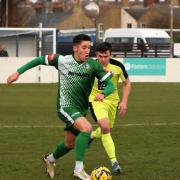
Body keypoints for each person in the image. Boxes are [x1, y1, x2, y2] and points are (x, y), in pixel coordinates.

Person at [7, 34, 115, 180]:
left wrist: (103, 93)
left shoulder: (93, 65)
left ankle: (49, 159)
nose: (87, 51)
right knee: (87, 129)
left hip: (81, 109)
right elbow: (40, 59)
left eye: (89, 47)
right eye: (84, 47)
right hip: (66, 106)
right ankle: (79, 169)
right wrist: (18, 72)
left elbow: (111, 85)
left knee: (69, 143)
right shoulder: (62, 61)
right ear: (75, 48)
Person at [89, 42, 131, 175]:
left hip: (113, 102)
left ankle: (92, 135)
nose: (103, 59)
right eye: (100, 56)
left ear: (110, 54)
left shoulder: (118, 66)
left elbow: (127, 83)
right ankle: (114, 162)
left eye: (105, 56)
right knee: (105, 126)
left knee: (106, 130)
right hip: (96, 100)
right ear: (96, 55)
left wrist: (124, 102)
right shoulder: (91, 66)